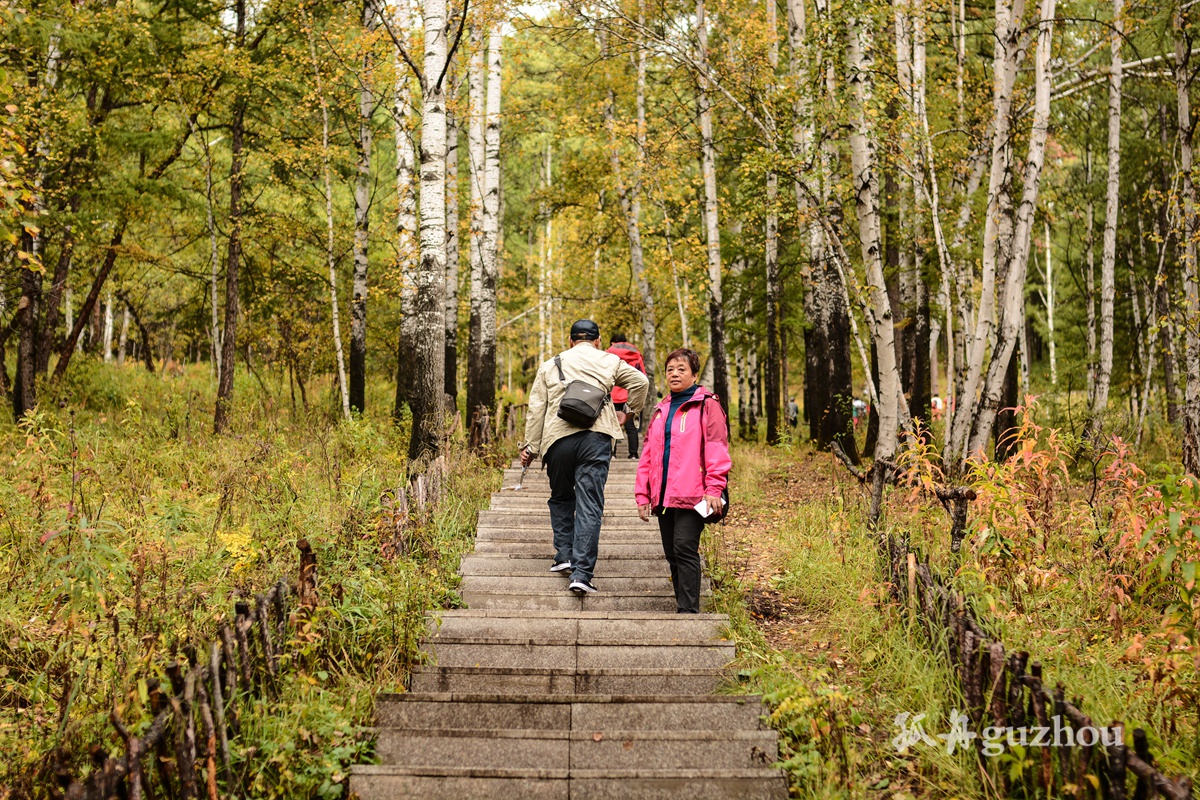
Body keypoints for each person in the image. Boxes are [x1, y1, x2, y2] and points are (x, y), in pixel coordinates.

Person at [521, 319, 649, 595]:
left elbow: (537, 409)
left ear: (570, 341)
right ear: (598, 341)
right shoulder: (610, 361)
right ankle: (581, 574)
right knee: (590, 502)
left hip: (557, 438)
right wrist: (629, 412)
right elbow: (641, 382)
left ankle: (564, 555)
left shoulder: (550, 364)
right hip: (596, 437)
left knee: (561, 497)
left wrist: (530, 448)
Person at [635, 348, 731, 614]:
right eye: (670, 370)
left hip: (695, 493)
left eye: (681, 369)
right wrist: (643, 494)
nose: (674, 374)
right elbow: (648, 455)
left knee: (684, 547)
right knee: (671, 552)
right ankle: (683, 605)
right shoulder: (661, 409)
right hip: (664, 494)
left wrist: (714, 487)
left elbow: (717, 447)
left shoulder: (707, 405)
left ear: (694, 374)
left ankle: (688, 611)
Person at [606, 334, 646, 459]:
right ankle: (633, 454)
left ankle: (611, 454)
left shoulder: (606, 355)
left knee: (611, 425)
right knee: (631, 427)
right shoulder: (636, 355)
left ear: (613, 342)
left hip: (612, 395)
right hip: (630, 395)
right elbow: (643, 377)